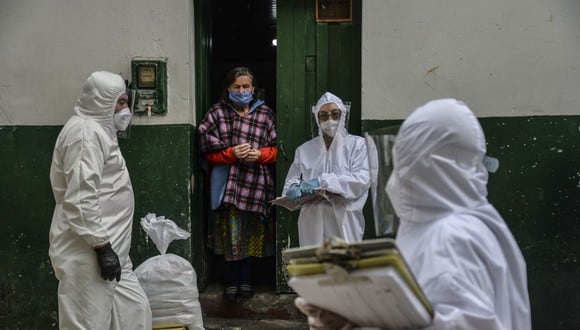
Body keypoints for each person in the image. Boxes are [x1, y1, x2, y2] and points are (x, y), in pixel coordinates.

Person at [294, 98, 531, 329]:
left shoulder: (451, 238)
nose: (398, 175)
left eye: (405, 161)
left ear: (431, 163)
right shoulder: (458, 224)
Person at [49, 71, 151, 329]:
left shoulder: (102, 132)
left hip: (114, 248)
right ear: (101, 101)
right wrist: (101, 247)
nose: (124, 109)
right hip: (90, 252)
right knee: (87, 322)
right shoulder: (85, 134)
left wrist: (110, 248)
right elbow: (80, 198)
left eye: (126, 102)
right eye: (119, 102)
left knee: (133, 311)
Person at [198, 66, 277, 301]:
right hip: (228, 187)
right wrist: (231, 153)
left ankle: (247, 279)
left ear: (254, 89)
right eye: (237, 87)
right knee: (232, 236)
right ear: (228, 89)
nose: (242, 91)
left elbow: (276, 150)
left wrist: (261, 155)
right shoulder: (216, 114)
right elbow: (205, 151)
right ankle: (231, 280)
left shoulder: (266, 115)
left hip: (257, 186)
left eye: (246, 87)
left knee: (253, 233)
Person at [282, 92, 370, 246]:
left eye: (335, 114)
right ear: (317, 118)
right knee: (313, 266)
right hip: (311, 222)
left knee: (345, 265)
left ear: (343, 116)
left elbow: (362, 180)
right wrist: (293, 188)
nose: (330, 120)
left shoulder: (358, 146)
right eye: (324, 115)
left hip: (344, 221)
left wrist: (322, 182)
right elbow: (292, 180)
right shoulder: (304, 150)